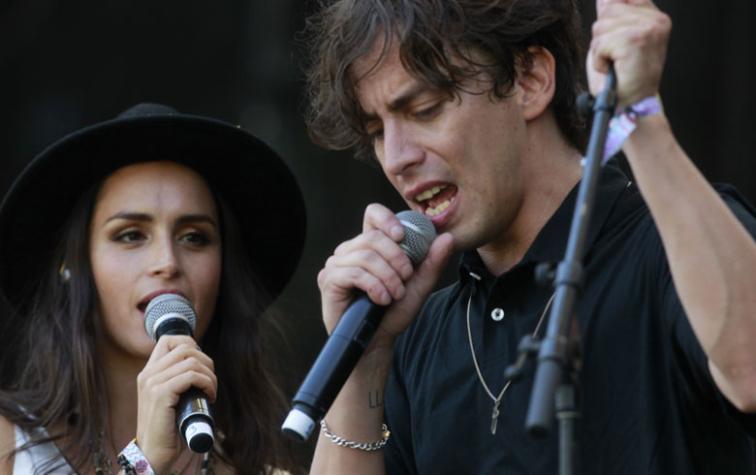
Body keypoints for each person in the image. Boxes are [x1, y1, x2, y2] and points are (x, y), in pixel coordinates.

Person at [302, 0, 756, 473]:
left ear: (531, 80)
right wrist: (363, 363)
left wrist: (637, 117)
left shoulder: (673, 247)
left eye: (424, 109)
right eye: (376, 131)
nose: (395, 158)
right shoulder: (419, 333)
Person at [0, 103, 307, 474]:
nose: (168, 261)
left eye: (195, 237)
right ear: (74, 264)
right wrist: (145, 464)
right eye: (131, 235)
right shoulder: (9, 447)